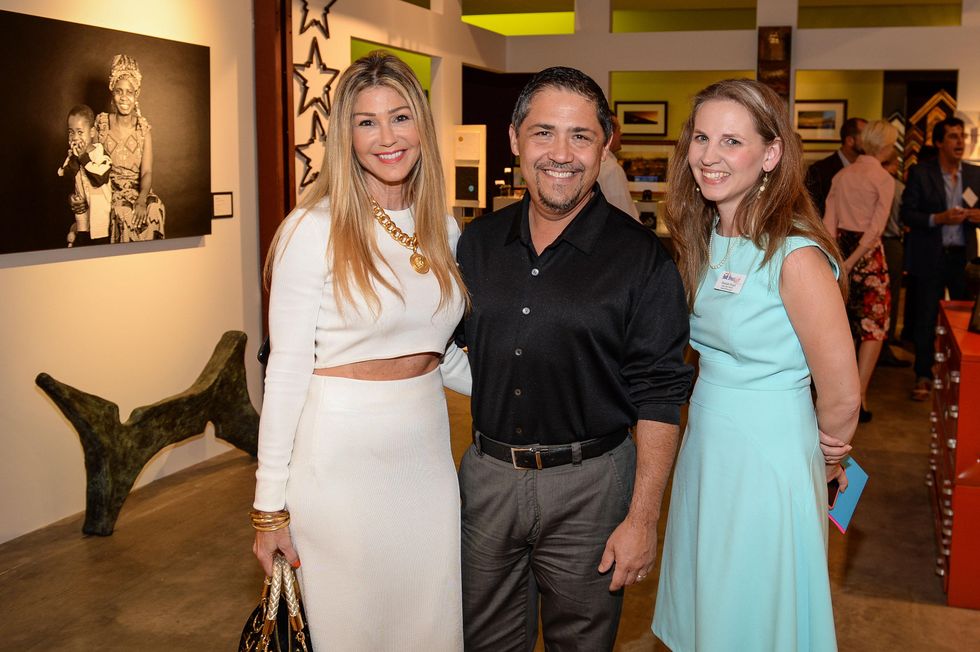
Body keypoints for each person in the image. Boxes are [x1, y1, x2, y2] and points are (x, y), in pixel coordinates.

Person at [454, 66, 692, 651]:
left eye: (580, 136)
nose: (561, 154)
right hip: (486, 482)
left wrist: (642, 519)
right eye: (543, 134)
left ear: (605, 144)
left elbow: (661, 395)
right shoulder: (477, 246)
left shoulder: (643, 260)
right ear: (514, 139)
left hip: (592, 487)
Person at [251, 51, 471, 650]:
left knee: (429, 620)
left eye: (400, 117)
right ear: (345, 136)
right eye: (366, 122)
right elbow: (288, 371)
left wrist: (540, 385)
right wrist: (269, 506)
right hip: (339, 461)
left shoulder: (444, 230)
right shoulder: (311, 229)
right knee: (353, 626)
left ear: (423, 126)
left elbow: (440, 350)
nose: (387, 137)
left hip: (426, 455)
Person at [652, 79, 861, 651]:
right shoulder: (706, 237)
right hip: (709, 447)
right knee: (711, 600)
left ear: (770, 154)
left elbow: (842, 393)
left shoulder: (795, 255)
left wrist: (829, 459)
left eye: (731, 141)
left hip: (769, 458)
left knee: (751, 606)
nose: (710, 156)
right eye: (701, 138)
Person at [823, 119, 900, 422]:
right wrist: (854, 260)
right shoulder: (883, 179)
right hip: (867, 257)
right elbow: (875, 230)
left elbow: (829, 224)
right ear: (884, 146)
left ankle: (838, 395)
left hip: (840, 251)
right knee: (873, 327)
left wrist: (837, 259)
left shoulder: (842, 176)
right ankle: (861, 396)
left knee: (839, 325)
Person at [902, 117, 980, 400]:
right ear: (938, 143)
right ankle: (924, 375)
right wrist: (939, 219)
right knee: (925, 319)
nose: (960, 142)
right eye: (952, 137)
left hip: (964, 260)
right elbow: (906, 214)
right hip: (930, 257)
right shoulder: (922, 173)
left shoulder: (974, 175)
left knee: (966, 319)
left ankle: (962, 376)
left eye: (962, 136)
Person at [96, 54, 165, 242]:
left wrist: (142, 199)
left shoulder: (143, 129)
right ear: (112, 92)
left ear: (136, 95)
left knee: (155, 208)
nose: (124, 97)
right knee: (123, 211)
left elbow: (147, 172)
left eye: (129, 92)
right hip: (110, 192)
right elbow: (91, 164)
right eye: (119, 91)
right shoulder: (102, 124)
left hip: (139, 191)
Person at [58, 104, 112, 247]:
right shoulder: (72, 156)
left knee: (100, 251)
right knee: (82, 248)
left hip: (100, 219)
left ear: (92, 132)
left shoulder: (100, 153)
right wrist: (75, 158)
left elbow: (100, 179)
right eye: (71, 132)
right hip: (82, 218)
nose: (75, 137)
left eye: (80, 132)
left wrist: (82, 156)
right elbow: (67, 177)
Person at [878, 149, 911, 368]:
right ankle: (885, 345)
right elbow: (903, 220)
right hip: (890, 243)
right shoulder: (896, 187)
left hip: (871, 242)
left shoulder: (868, 183)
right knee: (891, 297)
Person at [805, 116, 867, 216]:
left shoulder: (869, 170)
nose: (868, 141)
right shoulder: (819, 170)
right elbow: (813, 210)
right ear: (850, 140)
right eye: (865, 136)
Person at [597, 115, 640, 220]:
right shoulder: (611, 168)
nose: (621, 134)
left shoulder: (597, 162)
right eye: (619, 130)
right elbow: (624, 212)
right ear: (610, 136)